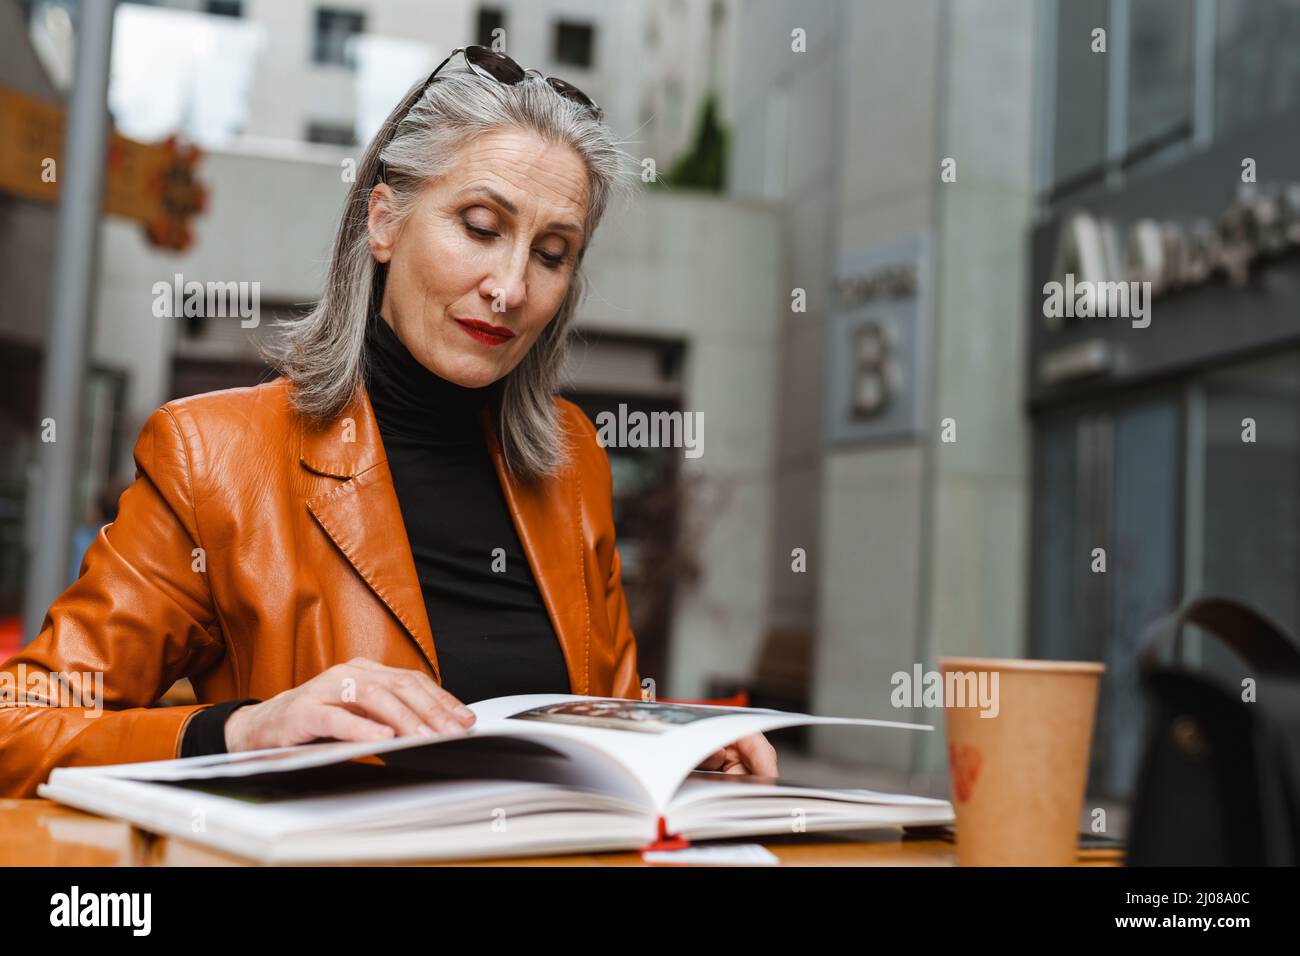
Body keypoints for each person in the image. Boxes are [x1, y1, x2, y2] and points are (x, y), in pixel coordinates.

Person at [0, 46, 776, 798]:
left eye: (551, 252)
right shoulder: (215, 458)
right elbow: (20, 726)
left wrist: (678, 749)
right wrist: (241, 733)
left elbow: (595, 720)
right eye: (479, 226)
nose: (510, 287)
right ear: (384, 221)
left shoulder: (572, 459)